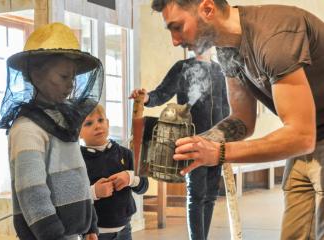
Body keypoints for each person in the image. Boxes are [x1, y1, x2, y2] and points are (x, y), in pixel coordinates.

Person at [150, 0, 324, 239]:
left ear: (207, 9)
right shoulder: (227, 50)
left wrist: (219, 153)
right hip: (311, 137)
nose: (175, 40)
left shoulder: (273, 37)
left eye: (177, 27)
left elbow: (301, 136)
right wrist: (198, 145)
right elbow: (242, 120)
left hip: (306, 136)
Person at [0, 22, 104, 240]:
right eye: (64, 77)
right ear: (36, 76)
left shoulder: (64, 122)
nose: (71, 85)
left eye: (73, 77)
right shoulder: (27, 129)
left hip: (72, 234)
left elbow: (80, 177)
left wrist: (90, 224)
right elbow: (32, 192)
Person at [130, 49, 229, 240]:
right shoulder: (182, 67)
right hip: (191, 140)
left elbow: (226, 107)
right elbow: (161, 94)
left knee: (210, 196)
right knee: (197, 195)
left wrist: (227, 138)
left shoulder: (220, 70)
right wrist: (146, 98)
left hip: (217, 143)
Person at [79, 104, 149, 240]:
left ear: (108, 123)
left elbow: (144, 186)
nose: (97, 126)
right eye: (88, 123)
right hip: (94, 233)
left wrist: (130, 178)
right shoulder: (78, 161)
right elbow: (74, 198)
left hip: (125, 229)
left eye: (101, 120)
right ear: (78, 132)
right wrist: (95, 191)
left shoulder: (127, 154)